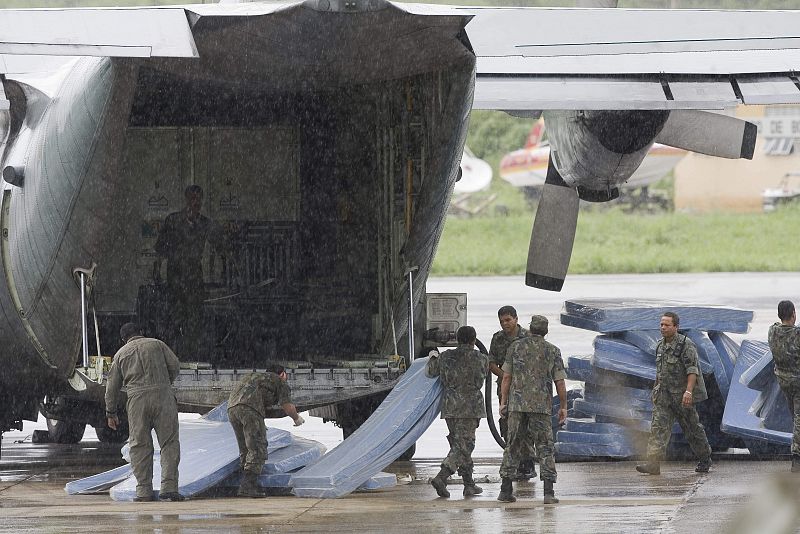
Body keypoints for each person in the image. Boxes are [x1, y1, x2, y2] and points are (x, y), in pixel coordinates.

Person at [105, 323, 184, 502]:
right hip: (163, 397)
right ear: (141, 332)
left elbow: (112, 387)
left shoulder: (120, 354)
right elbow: (175, 366)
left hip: (136, 400)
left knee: (140, 445)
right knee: (169, 443)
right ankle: (169, 488)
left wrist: (111, 412)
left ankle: (143, 491)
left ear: (123, 339)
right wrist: (163, 383)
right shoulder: (157, 344)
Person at [497, 315, 567, 504]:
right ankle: (548, 493)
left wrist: (504, 402)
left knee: (512, 445)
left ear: (529, 328)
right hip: (540, 407)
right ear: (545, 331)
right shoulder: (552, 350)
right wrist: (563, 406)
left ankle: (505, 490)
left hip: (517, 406)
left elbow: (506, 377)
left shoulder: (515, 347)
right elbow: (559, 381)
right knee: (545, 447)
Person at [636, 312, 712, 476]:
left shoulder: (686, 345)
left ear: (676, 327)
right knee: (658, 429)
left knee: (692, 429)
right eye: (661, 324)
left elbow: (693, 371)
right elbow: (660, 370)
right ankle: (653, 464)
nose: (663, 327)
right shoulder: (660, 345)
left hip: (681, 396)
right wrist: (655, 388)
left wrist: (688, 392)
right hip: (664, 395)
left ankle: (705, 458)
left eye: (667, 325)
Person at [154, 184, 225, 360]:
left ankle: (191, 355)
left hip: (194, 274)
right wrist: (157, 271)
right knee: (175, 316)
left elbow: (220, 246)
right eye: (192, 198)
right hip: (176, 274)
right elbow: (160, 248)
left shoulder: (205, 224)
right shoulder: (173, 220)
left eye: (199, 199)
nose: (196, 202)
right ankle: (172, 356)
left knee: (194, 318)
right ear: (186, 199)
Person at [427, 326, 488, 498]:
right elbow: (484, 374)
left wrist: (433, 356)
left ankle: (469, 484)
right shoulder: (481, 358)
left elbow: (431, 371)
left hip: (450, 406)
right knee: (464, 445)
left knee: (459, 445)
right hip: (470, 406)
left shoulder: (446, 356)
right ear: (474, 340)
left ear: (458, 339)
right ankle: (442, 477)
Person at [227, 364, 305, 497]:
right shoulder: (279, 381)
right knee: (258, 447)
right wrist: (297, 418)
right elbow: (287, 406)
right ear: (282, 374)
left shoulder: (254, 377)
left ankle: (249, 483)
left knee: (245, 448)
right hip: (250, 409)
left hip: (232, 409)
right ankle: (247, 486)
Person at [488, 305, 536, 480]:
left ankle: (528, 464)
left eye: (508, 320)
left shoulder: (528, 337)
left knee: (526, 424)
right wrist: (505, 375)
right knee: (508, 424)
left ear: (516, 319)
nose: (505, 324)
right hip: (506, 388)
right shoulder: (498, 339)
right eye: (501, 321)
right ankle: (514, 463)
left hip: (526, 388)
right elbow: (491, 362)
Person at [767, 300, 800, 473]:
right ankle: (797, 457)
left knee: (795, 418)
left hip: (784, 381)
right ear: (793, 313)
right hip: (798, 380)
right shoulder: (797, 334)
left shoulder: (772, 331)